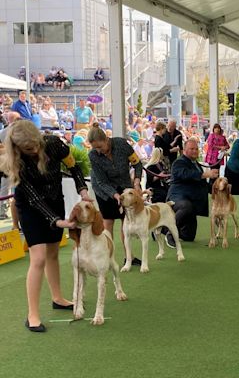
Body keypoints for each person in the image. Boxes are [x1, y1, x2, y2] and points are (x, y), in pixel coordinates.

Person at [0, 120, 90, 332]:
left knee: (53, 252)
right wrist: (57, 221)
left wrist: (83, 189)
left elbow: (73, 166)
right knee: (38, 257)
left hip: (54, 200)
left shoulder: (54, 144)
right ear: (17, 148)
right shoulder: (17, 163)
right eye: (28, 148)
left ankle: (57, 297)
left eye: (36, 145)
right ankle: (32, 313)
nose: (35, 150)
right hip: (31, 207)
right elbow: (34, 199)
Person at [87, 123, 143, 265]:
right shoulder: (93, 155)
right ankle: (108, 258)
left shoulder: (121, 144)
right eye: (95, 148)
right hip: (104, 190)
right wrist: (115, 195)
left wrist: (136, 182)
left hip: (124, 186)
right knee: (108, 222)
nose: (98, 151)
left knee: (126, 222)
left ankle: (129, 257)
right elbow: (101, 182)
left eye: (100, 147)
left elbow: (137, 163)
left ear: (106, 140)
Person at [165, 139, 218, 246]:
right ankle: (170, 234)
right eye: (192, 149)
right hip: (177, 200)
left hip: (191, 204)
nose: (195, 151)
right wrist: (205, 175)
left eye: (196, 149)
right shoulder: (179, 162)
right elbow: (185, 174)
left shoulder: (196, 164)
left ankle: (161, 229)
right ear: (184, 150)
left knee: (189, 236)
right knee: (186, 206)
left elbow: (201, 183)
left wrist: (217, 190)